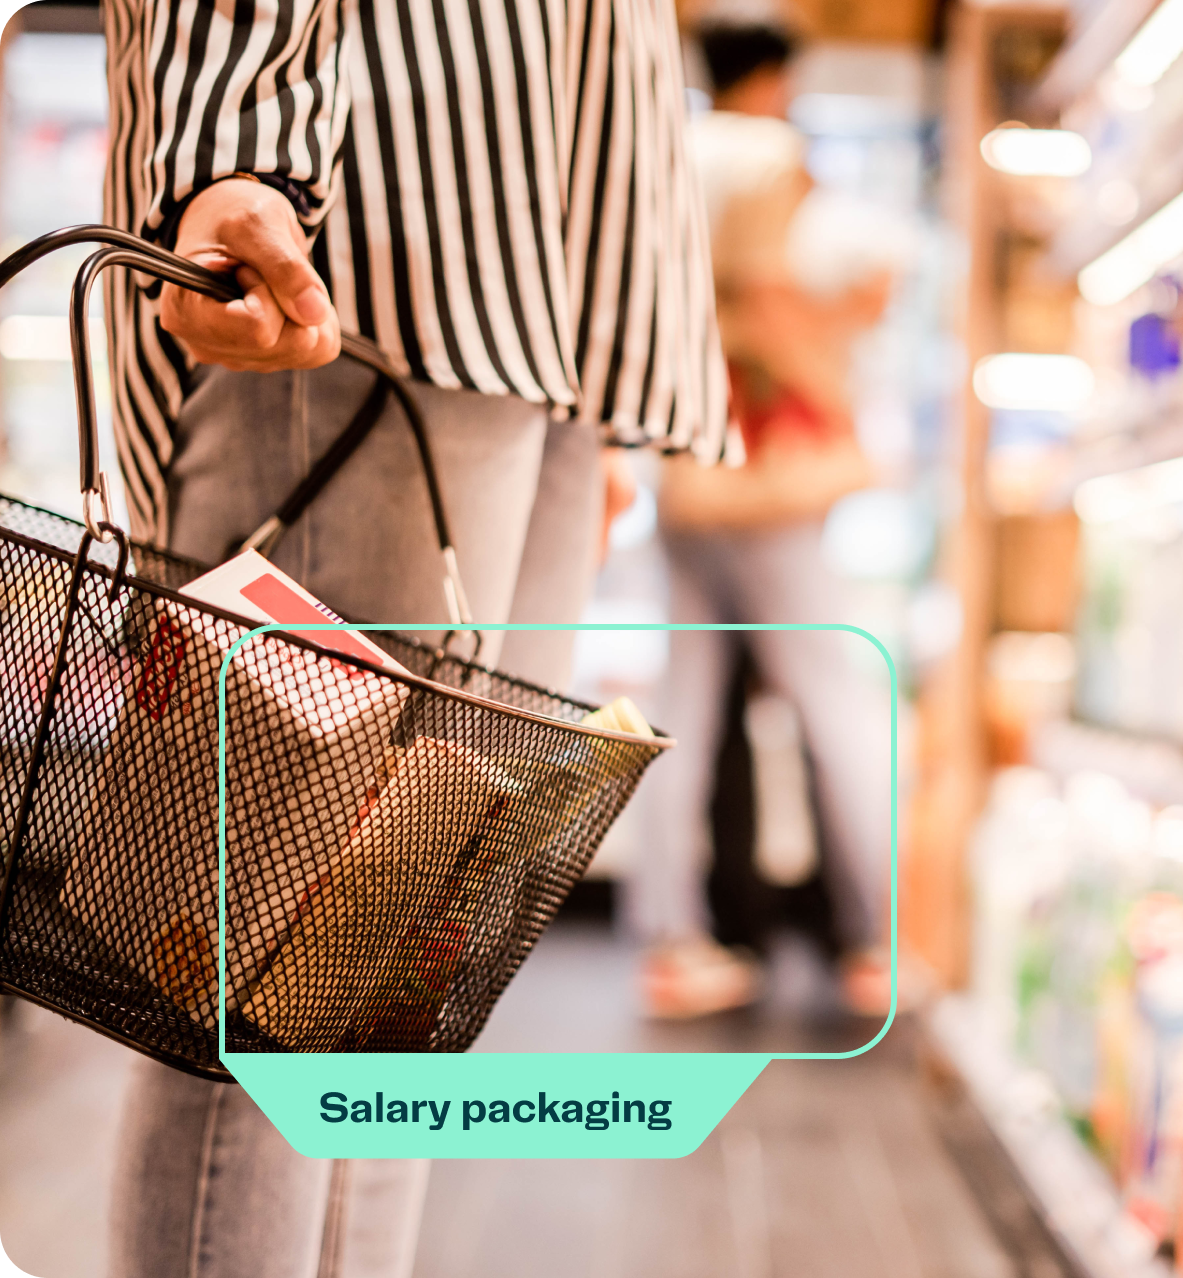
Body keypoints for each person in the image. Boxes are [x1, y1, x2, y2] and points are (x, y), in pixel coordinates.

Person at [98, 0, 723, 1274]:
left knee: (398, 1005)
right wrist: (236, 144)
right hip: (362, 239)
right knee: (257, 1015)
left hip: (548, 279)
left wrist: (594, 379)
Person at [632, 17, 903, 1019]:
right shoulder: (773, 157)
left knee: (683, 714)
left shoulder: (664, 149)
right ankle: (877, 941)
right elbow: (768, 303)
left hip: (684, 462)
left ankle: (670, 941)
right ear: (776, 79)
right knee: (836, 707)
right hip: (768, 471)